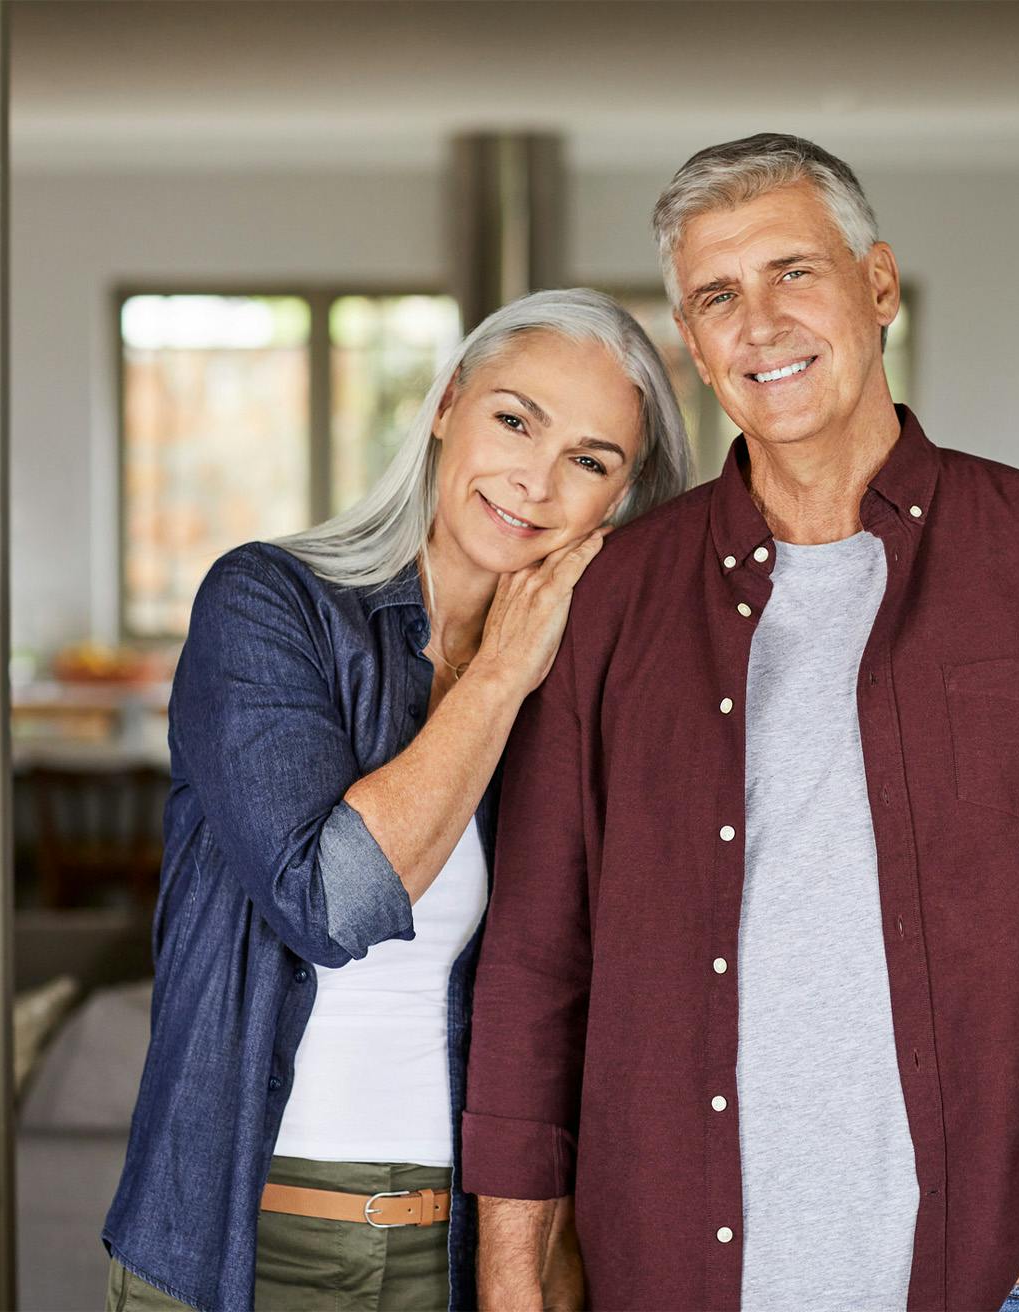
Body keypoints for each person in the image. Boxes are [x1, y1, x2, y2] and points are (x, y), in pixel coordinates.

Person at [462, 135, 1019, 1312]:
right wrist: (516, 1280)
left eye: (792, 273)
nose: (759, 322)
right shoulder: (611, 595)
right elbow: (534, 960)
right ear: (694, 346)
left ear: (878, 285)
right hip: (668, 1270)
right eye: (718, 295)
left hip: (980, 1275)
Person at [100, 289, 690, 1312]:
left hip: (461, 1253)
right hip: (235, 1245)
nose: (535, 479)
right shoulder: (267, 605)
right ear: (447, 404)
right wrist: (500, 673)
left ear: (620, 502)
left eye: (591, 460)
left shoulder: (589, 695)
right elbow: (332, 901)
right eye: (515, 419)